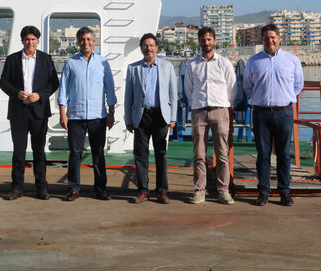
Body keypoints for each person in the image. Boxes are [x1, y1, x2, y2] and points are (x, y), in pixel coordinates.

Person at [243, 24, 304, 206]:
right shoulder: (253, 61)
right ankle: (263, 191)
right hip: (261, 113)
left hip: (284, 112)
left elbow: (298, 85)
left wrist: (284, 97)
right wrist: (259, 98)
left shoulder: (292, 60)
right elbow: (247, 86)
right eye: (266, 38)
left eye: (273, 37)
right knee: (263, 154)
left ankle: (284, 191)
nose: (270, 41)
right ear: (262, 40)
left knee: (284, 154)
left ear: (279, 38)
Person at [0, 26, 59, 200]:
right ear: (22, 41)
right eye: (27, 39)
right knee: (18, 151)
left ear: (37, 40)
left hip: (39, 112)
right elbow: (4, 83)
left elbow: (53, 83)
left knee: (39, 151)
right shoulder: (12, 59)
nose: (30, 42)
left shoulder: (46, 59)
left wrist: (40, 95)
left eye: (33, 39)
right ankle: (17, 188)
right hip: (18, 112)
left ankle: (41, 188)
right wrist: (17, 93)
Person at [58, 26, 117, 201]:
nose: (86, 42)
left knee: (98, 153)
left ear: (94, 42)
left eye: (89, 39)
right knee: (75, 154)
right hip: (75, 116)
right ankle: (73, 189)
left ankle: (100, 188)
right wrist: (63, 114)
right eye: (82, 39)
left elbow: (110, 89)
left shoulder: (103, 63)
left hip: (98, 116)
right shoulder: (71, 63)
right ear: (78, 42)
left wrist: (111, 112)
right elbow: (63, 90)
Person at [184, 27, 237, 205]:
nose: (206, 42)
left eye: (209, 39)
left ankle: (223, 191)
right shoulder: (192, 65)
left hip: (220, 111)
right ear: (198, 42)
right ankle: (200, 190)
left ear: (214, 41)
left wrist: (223, 104)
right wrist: (198, 104)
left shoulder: (224, 63)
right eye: (203, 39)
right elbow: (189, 90)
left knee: (222, 153)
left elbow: (232, 88)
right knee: (199, 154)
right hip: (199, 112)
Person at [124, 33, 178, 204]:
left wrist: (173, 118)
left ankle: (162, 191)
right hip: (141, 116)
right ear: (141, 48)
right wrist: (128, 119)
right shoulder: (133, 68)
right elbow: (128, 96)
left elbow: (173, 95)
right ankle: (143, 191)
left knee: (161, 154)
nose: (149, 48)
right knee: (140, 155)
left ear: (157, 48)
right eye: (145, 45)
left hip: (161, 115)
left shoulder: (167, 66)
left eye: (152, 45)